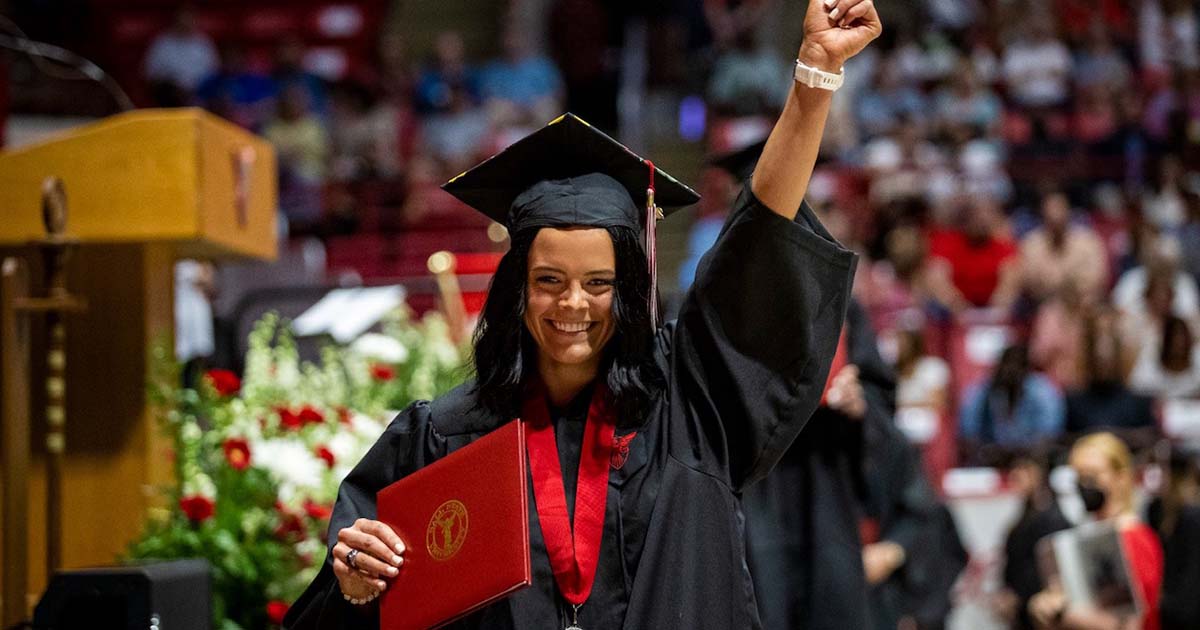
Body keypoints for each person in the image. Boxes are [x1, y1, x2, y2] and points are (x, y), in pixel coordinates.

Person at [283, 2, 881, 627]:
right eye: (549, 281)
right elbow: (363, 596)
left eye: (600, 283)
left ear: (628, 291)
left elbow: (756, 246)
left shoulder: (687, 404)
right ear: (517, 288)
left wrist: (814, 75)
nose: (573, 304)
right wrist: (355, 587)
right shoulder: (444, 438)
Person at [1028, 432, 1163, 630]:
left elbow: (1134, 623)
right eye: (1079, 477)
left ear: (1121, 476)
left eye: (1092, 475)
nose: (1084, 485)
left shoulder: (1135, 537)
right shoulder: (1083, 536)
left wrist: (1066, 615)